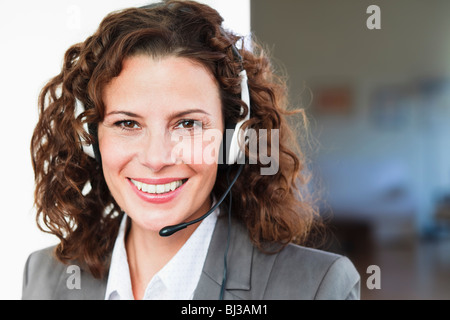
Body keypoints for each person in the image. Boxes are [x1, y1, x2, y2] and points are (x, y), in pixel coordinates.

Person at [22, 0, 360, 300]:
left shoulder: (316, 287)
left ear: (234, 138)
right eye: (127, 124)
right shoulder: (44, 277)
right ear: (92, 140)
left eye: (188, 124)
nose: (156, 159)